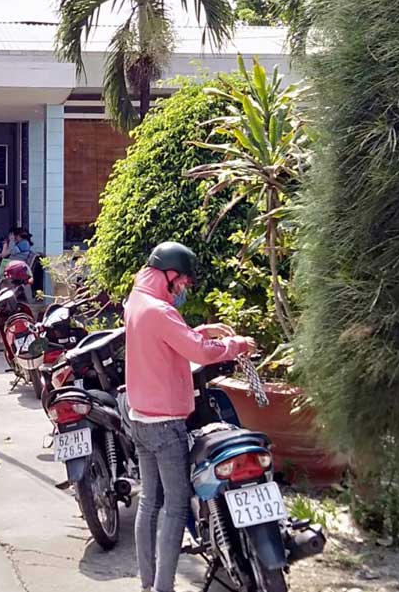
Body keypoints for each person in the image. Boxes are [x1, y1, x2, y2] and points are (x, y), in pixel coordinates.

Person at [124, 241, 253, 592]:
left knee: (149, 502)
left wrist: (202, 331)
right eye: (181, 281)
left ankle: (148, 583)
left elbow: (168, 341)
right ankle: (164, 587)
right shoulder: (161, 311)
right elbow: (199, 353)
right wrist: (238, 344)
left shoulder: (137, 301)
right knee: (176, 506)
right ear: (168, 273)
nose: (183, 287)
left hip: (140, 417)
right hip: (166, 424)